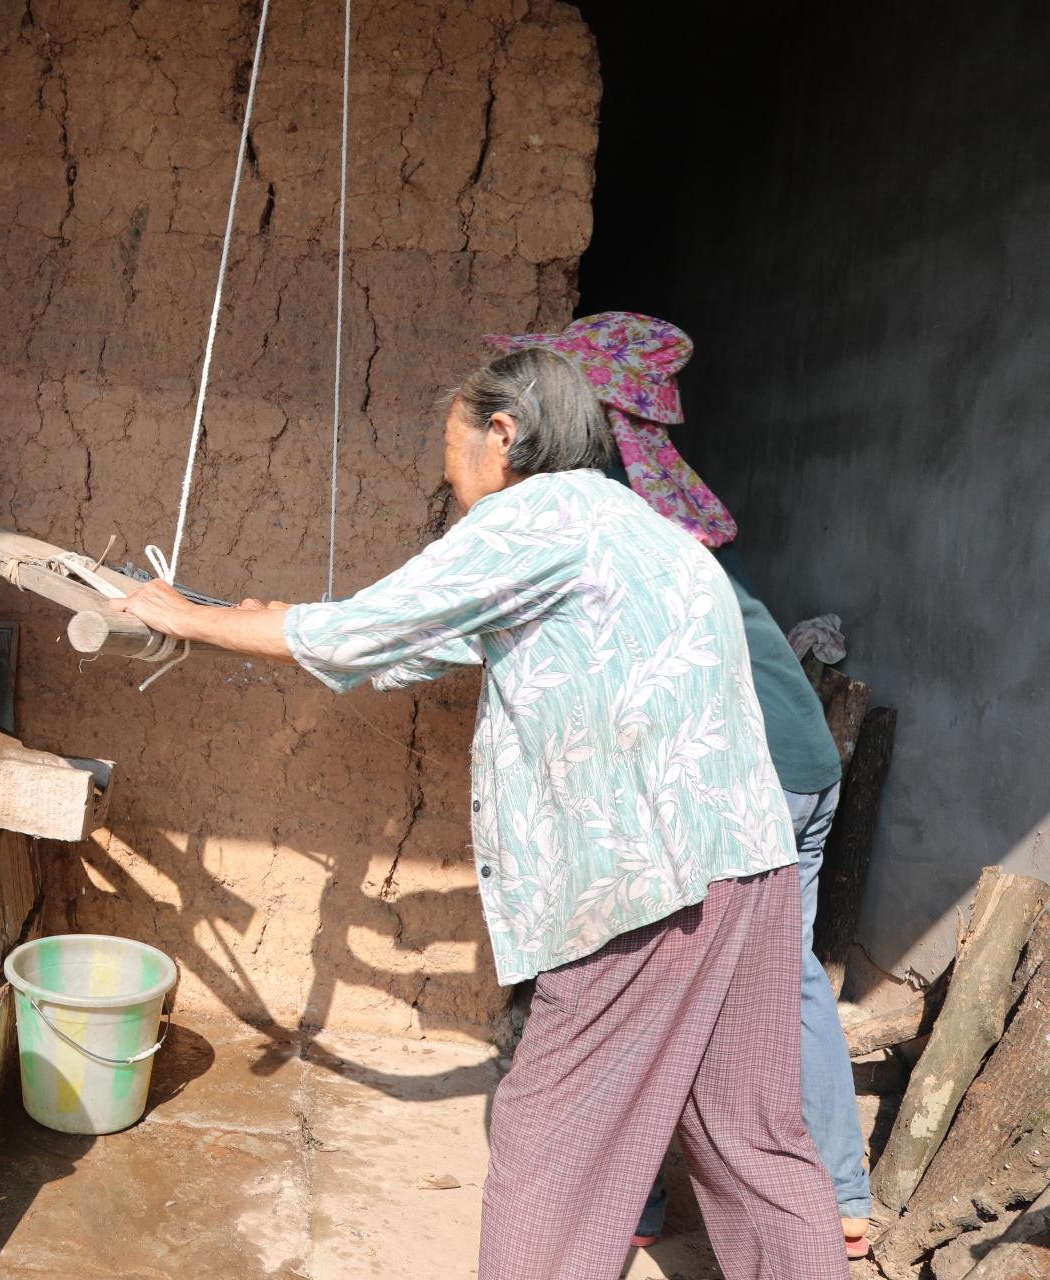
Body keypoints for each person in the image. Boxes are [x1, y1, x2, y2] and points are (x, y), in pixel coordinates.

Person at [112, 347, 849, 1280]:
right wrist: (269, 624)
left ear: (503, 435)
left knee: (548, 1136)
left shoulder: (529, 517)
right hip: (749, 863)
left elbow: (361, 631)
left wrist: (189, 619)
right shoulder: (637, 524)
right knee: (750, 1136)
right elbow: (421, 646)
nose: (451, 479)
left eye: (451, 452)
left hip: (640, 878)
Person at [484, 313, 871, 1258]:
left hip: (748, 781)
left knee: (688, 987)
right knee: (763, 990)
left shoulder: (598, 509)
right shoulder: (661, 503)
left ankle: (723, 1205)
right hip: (783, 767)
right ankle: (828, 1202)